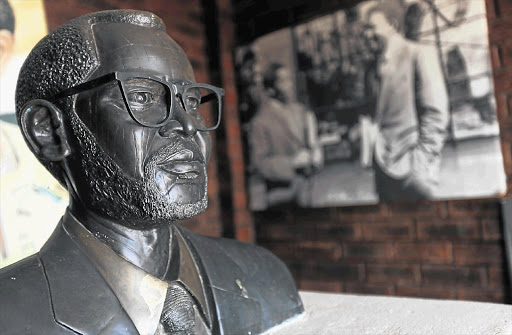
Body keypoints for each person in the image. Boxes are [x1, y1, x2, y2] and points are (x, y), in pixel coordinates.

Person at [0, 10, 303, 334]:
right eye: (142, 97)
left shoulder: (265, 276)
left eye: (189, 101)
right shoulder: (10, 313)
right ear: (50, 130)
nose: (188, 125)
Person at [365, 2, 449, 201]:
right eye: (364, 30)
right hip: (383, 174)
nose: (366, 35)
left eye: (371, 28)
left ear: (392, 25)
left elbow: (436, 113)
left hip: (413, 172)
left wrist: (419, 163)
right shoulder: (371, 69)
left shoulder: (419, 54)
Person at [249, 63, 323, 209]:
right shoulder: (260, 122)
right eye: (283, 81)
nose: (290, 85)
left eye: (289, 79)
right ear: (270, 89)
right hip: (282, 198)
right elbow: (260, 163)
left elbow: (312, 143)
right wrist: (293, 162)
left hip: (309, 191)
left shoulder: (300, 111)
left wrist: (317, 152)